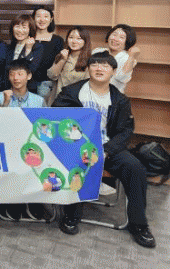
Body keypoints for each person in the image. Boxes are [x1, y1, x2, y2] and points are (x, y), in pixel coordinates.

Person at [53, 51, 156, 248]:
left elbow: (126, 131)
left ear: (113, 71)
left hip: (109, 149)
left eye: (105, 66)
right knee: (76, 165)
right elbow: (56, 117)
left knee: (135, 168)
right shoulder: (71, 92)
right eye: (95, 64)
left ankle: (139, 225)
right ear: (88, 69)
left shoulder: (120, 100)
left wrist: (107, 150)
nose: (99, 68)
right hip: (78, 147)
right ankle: (71, 215)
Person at [47, 26, 91, 102]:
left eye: (79, 38)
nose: (74, 41)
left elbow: (88, 85)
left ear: (85, 41)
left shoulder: (89, 60)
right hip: (58, 100)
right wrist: (62, 60)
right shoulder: (62, 55)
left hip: (77, 101)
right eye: (71, 37)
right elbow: (52, 75)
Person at [92, 24, 140, 93]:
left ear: (127, 41)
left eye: (121, 37)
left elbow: (122, 77)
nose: (116, 39)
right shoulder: (97, 51)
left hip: (112, 96)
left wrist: (131, 56)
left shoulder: (127, 58)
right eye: (114, 35)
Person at [31, 6, 64, 101]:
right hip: (26, 83)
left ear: (51, 19)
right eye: (38, 16)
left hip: (47, 84)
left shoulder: (58, 40)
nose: (42, 20)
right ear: (33, 18)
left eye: (46, 16)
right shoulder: (28, 37)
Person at [3, 14, 43, 92]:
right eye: (17, 26)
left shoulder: (37, 47)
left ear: (30, 30)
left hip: (28, 91)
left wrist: (28, 50)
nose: (20, 30)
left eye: (24, 27)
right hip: (9, 89)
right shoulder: (10, 46)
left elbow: (31, 69)